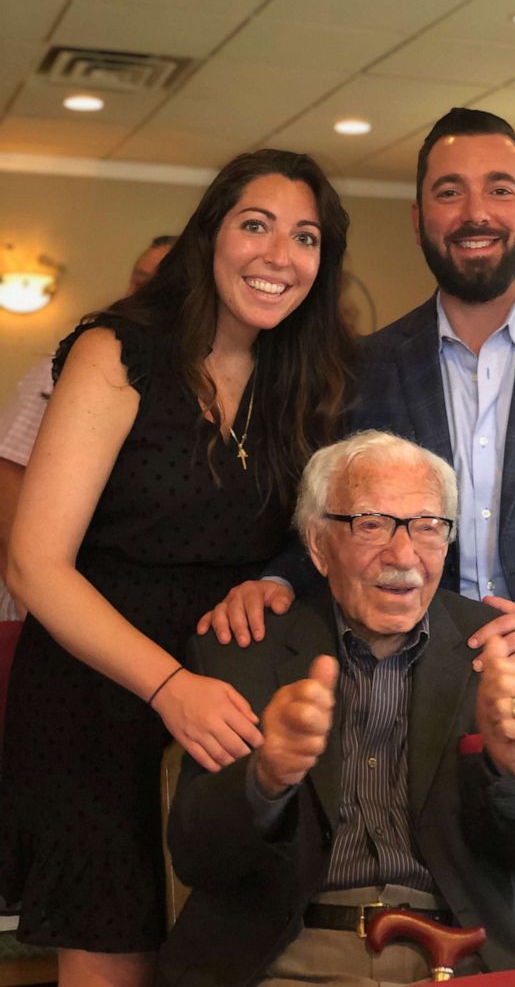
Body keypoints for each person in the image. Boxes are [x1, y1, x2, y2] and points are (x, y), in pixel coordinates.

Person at [202, 109, 515, 967]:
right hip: (419, 740)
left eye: (500, 188)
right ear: (420, 218)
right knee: (470, 953)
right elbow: (326, 513)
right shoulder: (362, 366)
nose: (475, 210)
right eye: (450, 191)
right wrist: (279, 578)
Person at [0, 149, 353, 987]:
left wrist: (275, 581)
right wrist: (167, 687)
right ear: (210, 235)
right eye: (255, 225)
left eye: (305, 237)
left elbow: (314, 542)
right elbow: (32, 564)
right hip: (103, 696)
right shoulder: (116, 352)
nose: (279, 255)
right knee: (116, 952)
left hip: (235, 699)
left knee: (223, 956)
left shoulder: (303, 377)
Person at [158, 431, 515, 987]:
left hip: (465, 955)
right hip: (291, 955)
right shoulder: (247, 647)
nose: (403, 555)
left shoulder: (490, 647)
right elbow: (196, 855)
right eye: (372, 524)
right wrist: (265, 778)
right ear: (318, 544)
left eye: (428, 527)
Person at [0, 235, 177, 622]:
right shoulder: (69, 369)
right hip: (40, 604)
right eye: (138, 279)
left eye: (157, 283)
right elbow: (9, 474)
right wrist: (30, 599)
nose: (140, 293)